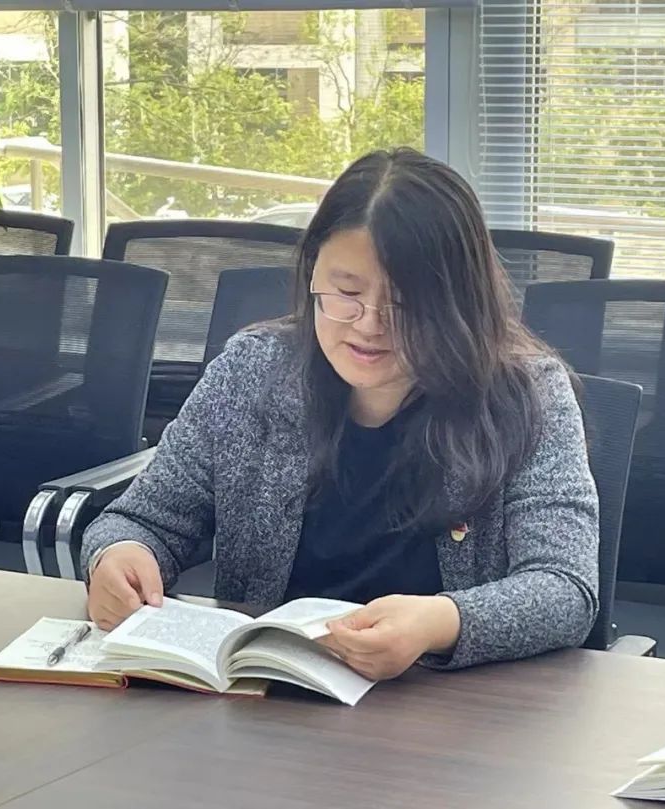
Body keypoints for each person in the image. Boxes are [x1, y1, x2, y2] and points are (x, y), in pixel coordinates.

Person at [81, 147, 599, 680]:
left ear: (457, 302)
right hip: (266, 691)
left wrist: (440, 622)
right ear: (313, 275)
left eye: (405, 305)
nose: (369, 325)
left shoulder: (525, 396)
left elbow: (565, 588)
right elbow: (143, 519)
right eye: (346, 293)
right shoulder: (252, 371)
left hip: (442, 701)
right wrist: (118, 554)